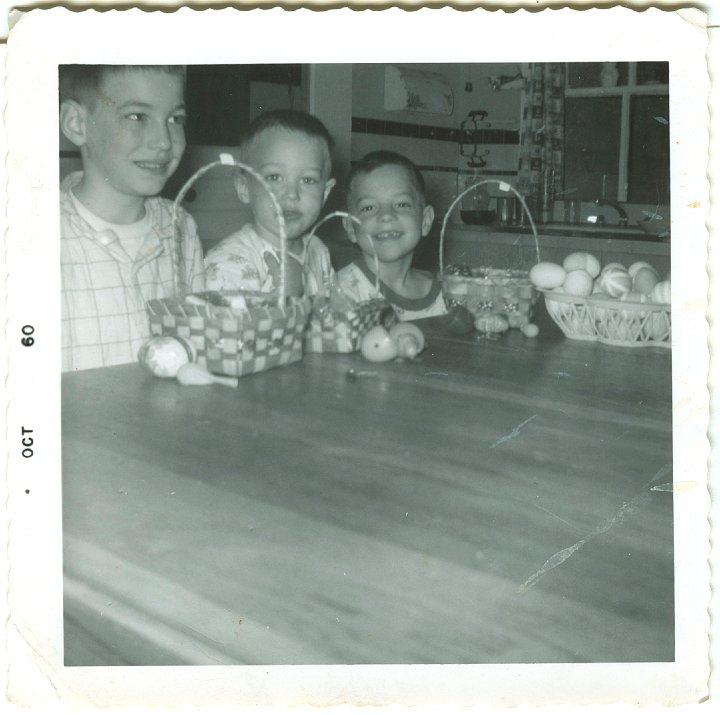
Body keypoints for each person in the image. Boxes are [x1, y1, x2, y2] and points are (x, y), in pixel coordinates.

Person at [59, 64, 204, 371]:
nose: (163, 141)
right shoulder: (31, 236)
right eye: (137, 116)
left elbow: (199, 347)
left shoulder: (181, 228)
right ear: (76, 124)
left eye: (175, 119)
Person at [204, 110, 336, 297]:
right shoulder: (228, 262)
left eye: (308, 180)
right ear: (244, 187)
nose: (291, 195)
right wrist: (287, 299)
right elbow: (223, 324)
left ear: (325, 193)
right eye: (274, 177)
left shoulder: (318, 250)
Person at [338, 150, 447, 320]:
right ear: (350, 227)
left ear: (425, 221)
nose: (386, 215)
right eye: (369, 207)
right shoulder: (340, 295)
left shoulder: (447, 293)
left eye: (402, 204)